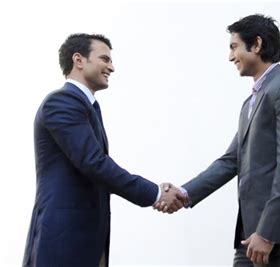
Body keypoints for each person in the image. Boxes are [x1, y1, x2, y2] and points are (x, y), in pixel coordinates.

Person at [159, 14, 280, 266]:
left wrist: (268, 232)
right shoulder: (252, 101)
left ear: (256, 45)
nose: (230, 56)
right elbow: (229, 162)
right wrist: (184, 193)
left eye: (234, 47)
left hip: (277, 236)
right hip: (250, 234)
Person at [22, 33, 186, 267]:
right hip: (63, 240)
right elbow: (95, 163)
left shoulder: (87, 108)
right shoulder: (61, 103)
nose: (112, 67)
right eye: (105, 59)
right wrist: (156, 194)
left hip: (87, 241)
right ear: (79, 60)